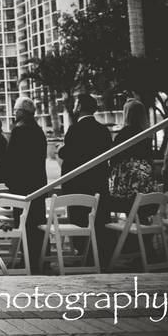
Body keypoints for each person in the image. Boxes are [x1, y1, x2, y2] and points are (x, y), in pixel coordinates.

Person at [58, 93, 111, 264]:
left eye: (75, 104)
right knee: (98, 219)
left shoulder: (75, 129)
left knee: (79, 220)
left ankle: (83, 253)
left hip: (78, 184)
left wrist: (60, 150)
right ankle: (99, 254)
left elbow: (70, 154)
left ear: (80, 107)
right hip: (98, 182)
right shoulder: (103, 130)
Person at [5, 97, 47, 273]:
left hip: (21, 185)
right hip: (38, 182)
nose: (14, 113)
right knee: (37, 222)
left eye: (15, 110)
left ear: (21, 112)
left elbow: (12, 158)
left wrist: (8, 180)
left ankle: (27, 259)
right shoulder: (39, 130)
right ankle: (41, 258)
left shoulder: (19, 130)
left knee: (24, 222)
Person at [109, 99, 157, 221]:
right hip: (145, 184)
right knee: (140, 214)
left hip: (128, 185)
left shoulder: (124, 133)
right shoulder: (146, 134)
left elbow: (115, 157)